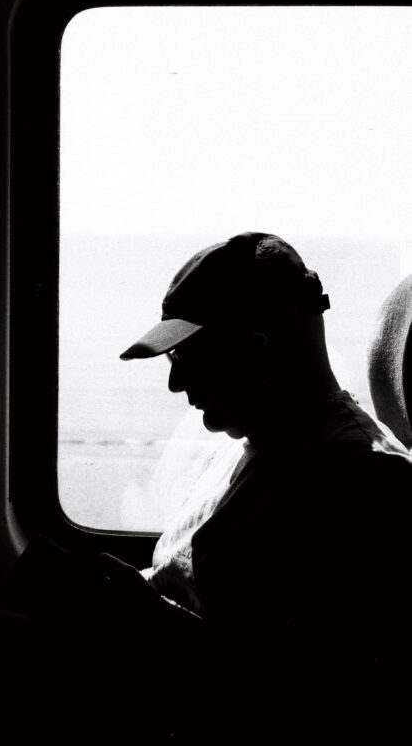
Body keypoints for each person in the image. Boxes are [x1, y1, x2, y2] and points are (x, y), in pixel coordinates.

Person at [117, 231, 412, 690]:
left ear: (276, 338)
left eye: (191, 353)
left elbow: (297, 689)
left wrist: (140, 619)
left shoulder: (367, 483)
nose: (176, 382)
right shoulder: (249, 444)